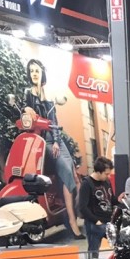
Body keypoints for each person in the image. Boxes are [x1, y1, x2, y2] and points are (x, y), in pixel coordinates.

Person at [23, 58, 82, 238]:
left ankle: (73, 212)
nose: (34, 74)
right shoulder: (27, 94)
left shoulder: (48, 95)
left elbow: (54, 121)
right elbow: (25, 112)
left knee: (74, 177)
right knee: (66, 172)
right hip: (41, 141)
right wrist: (26, 109)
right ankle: (72, 221)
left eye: (37, 70)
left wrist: (56, 140)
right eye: (31, 71)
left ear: (42, 73)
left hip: (55, 140)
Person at [76, 156, 119, 259]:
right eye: (106, 174)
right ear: (98, 172)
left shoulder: (106, 181)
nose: (109, 176)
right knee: (93, 251)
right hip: (94, 223)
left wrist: (119, 199)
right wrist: (96, 221)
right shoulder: (87, 184)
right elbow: (82, 207)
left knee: (119, 244)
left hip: (108, 221)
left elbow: (111, 199)